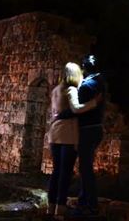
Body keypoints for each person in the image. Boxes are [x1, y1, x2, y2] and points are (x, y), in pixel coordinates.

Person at [46, 62, 100, 217]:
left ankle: (50, 207)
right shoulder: (71, 89)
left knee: (56, 172)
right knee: (65, 173)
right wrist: (94, 102)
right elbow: (76, 109)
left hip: (54, 133)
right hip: (67, 135)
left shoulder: (56, 89)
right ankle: (60, 209)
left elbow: (57, 112)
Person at [74, 54, 106, 216]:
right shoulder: (99, 82)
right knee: (85, 167)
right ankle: (84, 200)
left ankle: (90, 203)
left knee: (86, 168)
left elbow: (78, 108)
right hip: (94, 128)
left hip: (88, 129)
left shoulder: (87, 85)